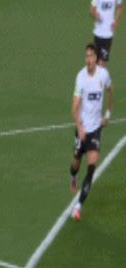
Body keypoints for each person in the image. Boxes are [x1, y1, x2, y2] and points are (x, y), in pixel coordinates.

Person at [70, 44, 113, 222]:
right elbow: (74, 107)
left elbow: (111, 91)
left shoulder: (103, 75)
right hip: (82, 128)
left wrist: (107, 115)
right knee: (76, 163)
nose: (88, 60)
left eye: (91, 56)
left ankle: (78, 206)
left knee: (92, 165)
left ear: (96, 58)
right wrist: (79, 126)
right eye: (86, 56)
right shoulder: (81, 77)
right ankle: (73, 176)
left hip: (95, 129)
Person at [90, 0, 122, 66]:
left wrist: (116, 21)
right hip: (98, 33)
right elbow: (92, 10)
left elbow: (119, 8)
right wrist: (96, 16)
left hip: (108, 34)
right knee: (96, 61)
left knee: (103, 62)